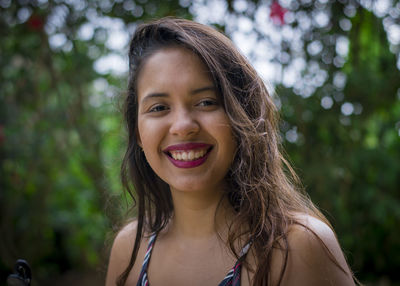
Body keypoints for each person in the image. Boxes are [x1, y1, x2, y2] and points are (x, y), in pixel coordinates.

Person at [106, 17, 356, 286]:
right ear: (138, 133)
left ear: (241, 117)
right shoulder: (129, 249)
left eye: (206, 102)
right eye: (158, 108)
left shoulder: (297, 247)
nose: (183, 126)